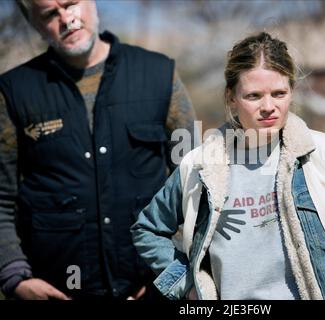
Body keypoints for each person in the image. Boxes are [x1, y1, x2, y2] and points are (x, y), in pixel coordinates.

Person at [130, 32, 325, 300]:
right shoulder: (198, 166)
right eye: (253, 96)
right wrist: (187, 285)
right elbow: (147, 229)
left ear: (292, 91)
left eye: (279, 93)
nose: (268, 107)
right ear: (231, 98)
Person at [0, 0, 196, 300]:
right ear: (36, 25)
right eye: (51, 14)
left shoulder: (160, 74)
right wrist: (14, 276)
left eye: (71, 4)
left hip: (152, 287)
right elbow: (2, 198)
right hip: (58, 288)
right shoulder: (13, 91)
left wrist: (171, 273)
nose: (67, 19)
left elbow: (195, 185)